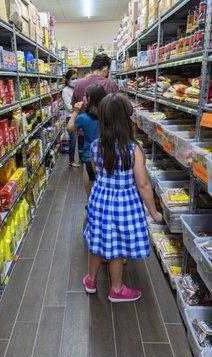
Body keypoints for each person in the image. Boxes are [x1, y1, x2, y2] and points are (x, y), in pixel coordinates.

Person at [82, 94, 163, 303]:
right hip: (123, 203)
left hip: (99, 199)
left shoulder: (96, 145)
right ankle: (116, 290)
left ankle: (91, 281)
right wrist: (153, 212)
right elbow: (143, 184)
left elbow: (96, 170)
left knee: (97, 240)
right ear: (126, 119)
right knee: (116, 247)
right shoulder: (132, 148)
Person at [67, 84, 106, 199]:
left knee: (89, 177)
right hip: (107, 153)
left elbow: (69, 128)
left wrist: (75, 111)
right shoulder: (108, 115)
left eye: (85, 95)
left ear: (90, 99)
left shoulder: (83, 117)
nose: (83, 98)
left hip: (90, 155)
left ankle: (90, 201)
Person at [62, 69, 80, 167]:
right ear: (68, 80)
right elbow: (69, 107)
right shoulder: (65, 91)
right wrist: (78, 106)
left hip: (78, 116)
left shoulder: (76, 88)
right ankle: (71, 161)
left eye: (76, 78)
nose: (75, 80)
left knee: (79, 138)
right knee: (73, 140)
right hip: (70, 118)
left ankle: (80, 158)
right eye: (73, 78)